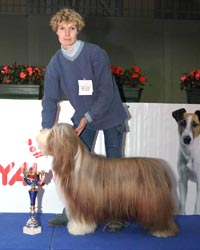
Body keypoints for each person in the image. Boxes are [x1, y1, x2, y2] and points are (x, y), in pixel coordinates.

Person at [41, 8, 128, 231]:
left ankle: (116, 215)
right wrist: (45, 129)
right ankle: (72, 211)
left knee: (114, 167)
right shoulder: (55, 63)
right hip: (83, 118)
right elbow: (50, 99)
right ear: (56, 31)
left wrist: (88, 117)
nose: (67, 33)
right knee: (76, 168)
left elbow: (106, 92)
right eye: (62, 28)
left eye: (71, 28)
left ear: (78, 30)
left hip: (110, 114)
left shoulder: (95, 53)